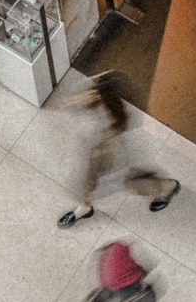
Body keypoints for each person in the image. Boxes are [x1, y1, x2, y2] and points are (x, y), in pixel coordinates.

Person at [58, 70, 181, 228]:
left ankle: (166, 188)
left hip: (112, 157)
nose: (89, 94)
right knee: (90, 180)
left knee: (130, 182)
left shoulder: (109, 118)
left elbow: (107, 147)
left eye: (95, 92)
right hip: (99, 153)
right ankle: (85, 206)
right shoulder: (101, 103)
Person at [83, 241, 157, 302]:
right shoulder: (119, 247)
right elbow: (134, 268)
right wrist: (143, 272)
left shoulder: (107, 255)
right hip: (122, 284)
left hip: (114, 286)